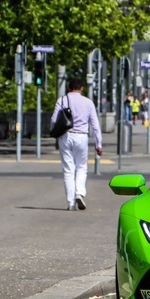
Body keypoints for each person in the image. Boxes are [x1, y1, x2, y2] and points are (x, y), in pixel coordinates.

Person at [50, 78, 103, 211]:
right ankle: (79, 193)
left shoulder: (62, 100)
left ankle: (70, 203)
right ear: (81, 89)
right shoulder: (88, 102)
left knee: (68, 170)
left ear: (68, 88)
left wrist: (55, 132)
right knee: (81, 167)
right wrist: (99, 144)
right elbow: (95, 125)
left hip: (65, 136)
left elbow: (53, 120)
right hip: (81, 138)